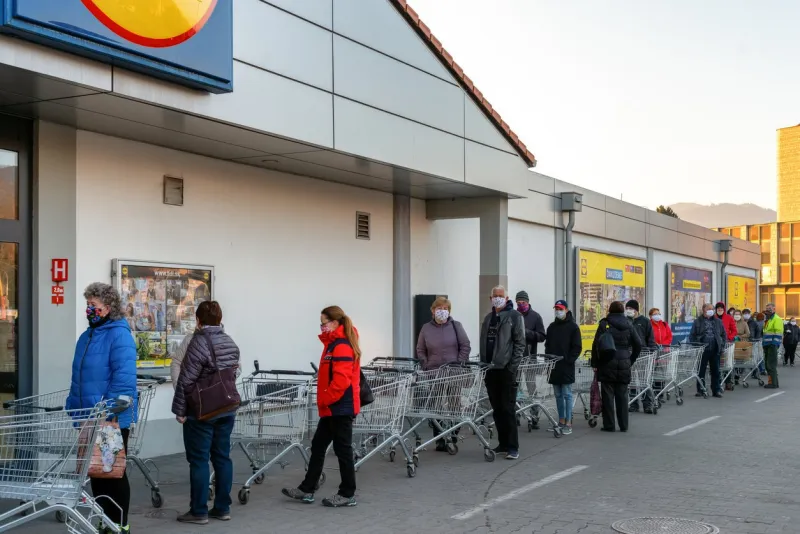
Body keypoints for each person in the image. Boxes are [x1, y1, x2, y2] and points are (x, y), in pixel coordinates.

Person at [66, 283, 137, 534]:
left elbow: (124, 379)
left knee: (112, 471)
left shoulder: (119, 334)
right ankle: (105, 520)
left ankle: (120, 523)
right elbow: (79, 377)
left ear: (107, 308)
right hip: (88, 416)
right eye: (87, 304)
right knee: (96, 471)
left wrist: (107, 412)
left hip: (110, 418)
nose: (89, 309)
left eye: (93, 305)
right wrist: (74, 405)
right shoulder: (87, 336)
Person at [283, 306, 361, 507]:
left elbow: (342, 381)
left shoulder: (342, 345)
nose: (321, 326)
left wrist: (326, 399)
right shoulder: (332, 344)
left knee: (342, 450)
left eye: (324, 322)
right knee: (318, 446)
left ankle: (347, 494)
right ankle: (307, 489)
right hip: (332, 406)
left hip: (339, 406)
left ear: (335, 323)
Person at [172, 301, 240, 524]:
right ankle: (222, 508)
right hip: (226, 408)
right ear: (220, 319)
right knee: (222, 458)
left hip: (202, 411)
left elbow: (186, 379)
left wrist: (180, 411)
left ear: (198, 320)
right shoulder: (229, 341)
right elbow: (232, 374)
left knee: (199, 460)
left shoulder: (198, 341)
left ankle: (199, 511)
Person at [416, 296, 471, 450]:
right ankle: (439, 438)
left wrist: (458, 362)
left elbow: (465, 345)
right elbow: (420, 349)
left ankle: (453, 435)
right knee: (436, 406)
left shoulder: (456, 326)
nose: (442, 311)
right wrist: (426, 365)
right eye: (439, 308)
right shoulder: (426, 328)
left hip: (453, 372)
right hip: (434, 372)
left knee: (454, 404)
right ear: (433, 311)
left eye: (445, 309)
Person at [479, 285, 525, 459]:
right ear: (490, 299)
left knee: (508, 408)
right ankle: (503, 443)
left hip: (506, 370)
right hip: (490, 370)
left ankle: (513, 446)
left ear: (506, 299)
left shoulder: (514, 317)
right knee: (497, 409)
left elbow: (520, 344)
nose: (497, 298)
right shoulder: (488, 318)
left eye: (500, 296)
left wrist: (512, 367)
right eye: (494, 296)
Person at [591, 301, 642, 433]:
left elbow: (596, 344)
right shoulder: (629, 324)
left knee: (608, 395)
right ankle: (624, 425)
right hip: (624, 361)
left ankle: (609, 425)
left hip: (607, 361)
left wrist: (595, 364)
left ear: (610, 310)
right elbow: (638, 344)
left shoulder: (604, 324)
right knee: (622, 395)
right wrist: (631, 359)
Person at [543, 300, 582, 435]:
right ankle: (561, 420)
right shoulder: (552, 327)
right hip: (554, 366)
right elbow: (547, 344)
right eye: (556, 309)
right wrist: (548, 359)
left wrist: (569, 360)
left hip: (566, 365)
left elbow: (577, 347)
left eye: (560, 309)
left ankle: (568, 422)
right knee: (558, 395)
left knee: (567, 394)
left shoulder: (573, 327)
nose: (558, 311)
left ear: (566, 310)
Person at [689, 303, 726, 398]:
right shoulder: (697, 321)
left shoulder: (718, 321)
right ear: (703, 310)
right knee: (701, 371)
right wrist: (696, 346)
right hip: (702, 350)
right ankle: (701, 389)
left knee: (715, 371)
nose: (711, 310)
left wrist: (722, 346)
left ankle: (716, 390)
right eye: (709, 308)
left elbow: (723, 335)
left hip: (715, 349)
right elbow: (692, 335)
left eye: (712, 309)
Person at [626, 300, 656, 413]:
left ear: (636, 310)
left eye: (630, 308)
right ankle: (633, 404)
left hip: (643, 353)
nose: (628, 310)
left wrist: (652, 351)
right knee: (632, 380)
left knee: (644, 380)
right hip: (629, 354)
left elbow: (650, 338)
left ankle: (647, 404)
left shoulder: (645, 321)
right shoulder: (625, 321)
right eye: (627, 308)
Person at [515, 290, 546, 356]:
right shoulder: (513, 316)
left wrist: (526, 332)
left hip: (530, 358)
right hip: (515, 356)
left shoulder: (536, 317)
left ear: (528, 302)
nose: (521, 305)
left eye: (523, 302)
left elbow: (542, 337)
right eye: (519, 303)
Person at [763, 303, 783, 388]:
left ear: (774, 309)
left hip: (772, 345)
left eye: (770, 308)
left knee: (771, 365)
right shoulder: (769, 319)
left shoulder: (776, 319)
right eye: (767, 308)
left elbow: (778, 333)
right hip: (767, 344)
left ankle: (773, 383)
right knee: (768, 365)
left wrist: (774, 344)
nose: (768, 310)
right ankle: (772, 382)